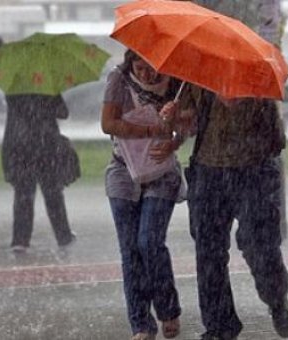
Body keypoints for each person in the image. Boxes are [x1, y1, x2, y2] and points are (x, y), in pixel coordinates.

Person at [165, 85, 288, 340]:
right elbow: (189, 123)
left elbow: (273, 129)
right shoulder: (197, 73)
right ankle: (219, 326)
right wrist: (176, 116)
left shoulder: (252, 74)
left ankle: (276, 297)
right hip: (208, 171)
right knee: (208, 252)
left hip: (253, 169)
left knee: (258, 244)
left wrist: (245, 101)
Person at [101, 50, 189, 340]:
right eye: (141, 66)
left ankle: (167, 309)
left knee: (149, 241)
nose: (147, 74)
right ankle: (141, 324)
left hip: (161, 172)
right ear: (131, 61)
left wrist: (174, 137)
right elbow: (108, 123)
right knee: (130, 250)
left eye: (153, 68)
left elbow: (187, 127)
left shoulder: (178, 84)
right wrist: (151, 128)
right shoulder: (118, 79)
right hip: (123, 170)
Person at [2, 94, 78, 253]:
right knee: (53, 193)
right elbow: (63, 113)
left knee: (23, 194)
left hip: (20, 147)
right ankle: (63, 236)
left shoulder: (14, 92)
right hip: (46, 146)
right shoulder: (48, 88)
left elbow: (12, 119)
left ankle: (20, 240)